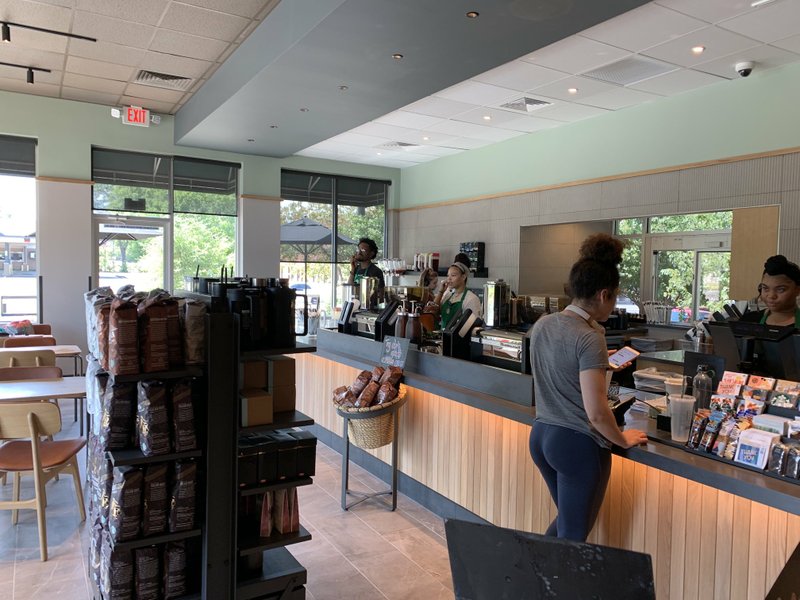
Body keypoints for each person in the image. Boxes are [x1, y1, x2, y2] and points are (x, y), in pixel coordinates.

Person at [528, 233, 647, 542]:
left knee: (567, 527)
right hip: (576, 444)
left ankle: (533, 579)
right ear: (604, 294)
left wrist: (599, 362)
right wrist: (622, 439)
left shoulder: (544, 323)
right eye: (616, 297)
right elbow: (596, 414)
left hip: (542, 436)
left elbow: (556, 366)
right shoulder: (589, 336)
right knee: (573, 535)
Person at [739, 255, 800, 327]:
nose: (771, 296)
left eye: (780, 289)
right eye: (765, 288)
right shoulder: (748, 321)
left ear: (797, 290)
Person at [431, 256, 481, 329]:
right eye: (448, 276)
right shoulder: (447, 294)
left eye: (453, 275)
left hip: (459, 339)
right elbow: (433, 312)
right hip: (443, 337)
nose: (449, 279)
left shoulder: (471, 299)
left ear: (463, 277)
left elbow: (472, 326)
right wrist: (441, 292)